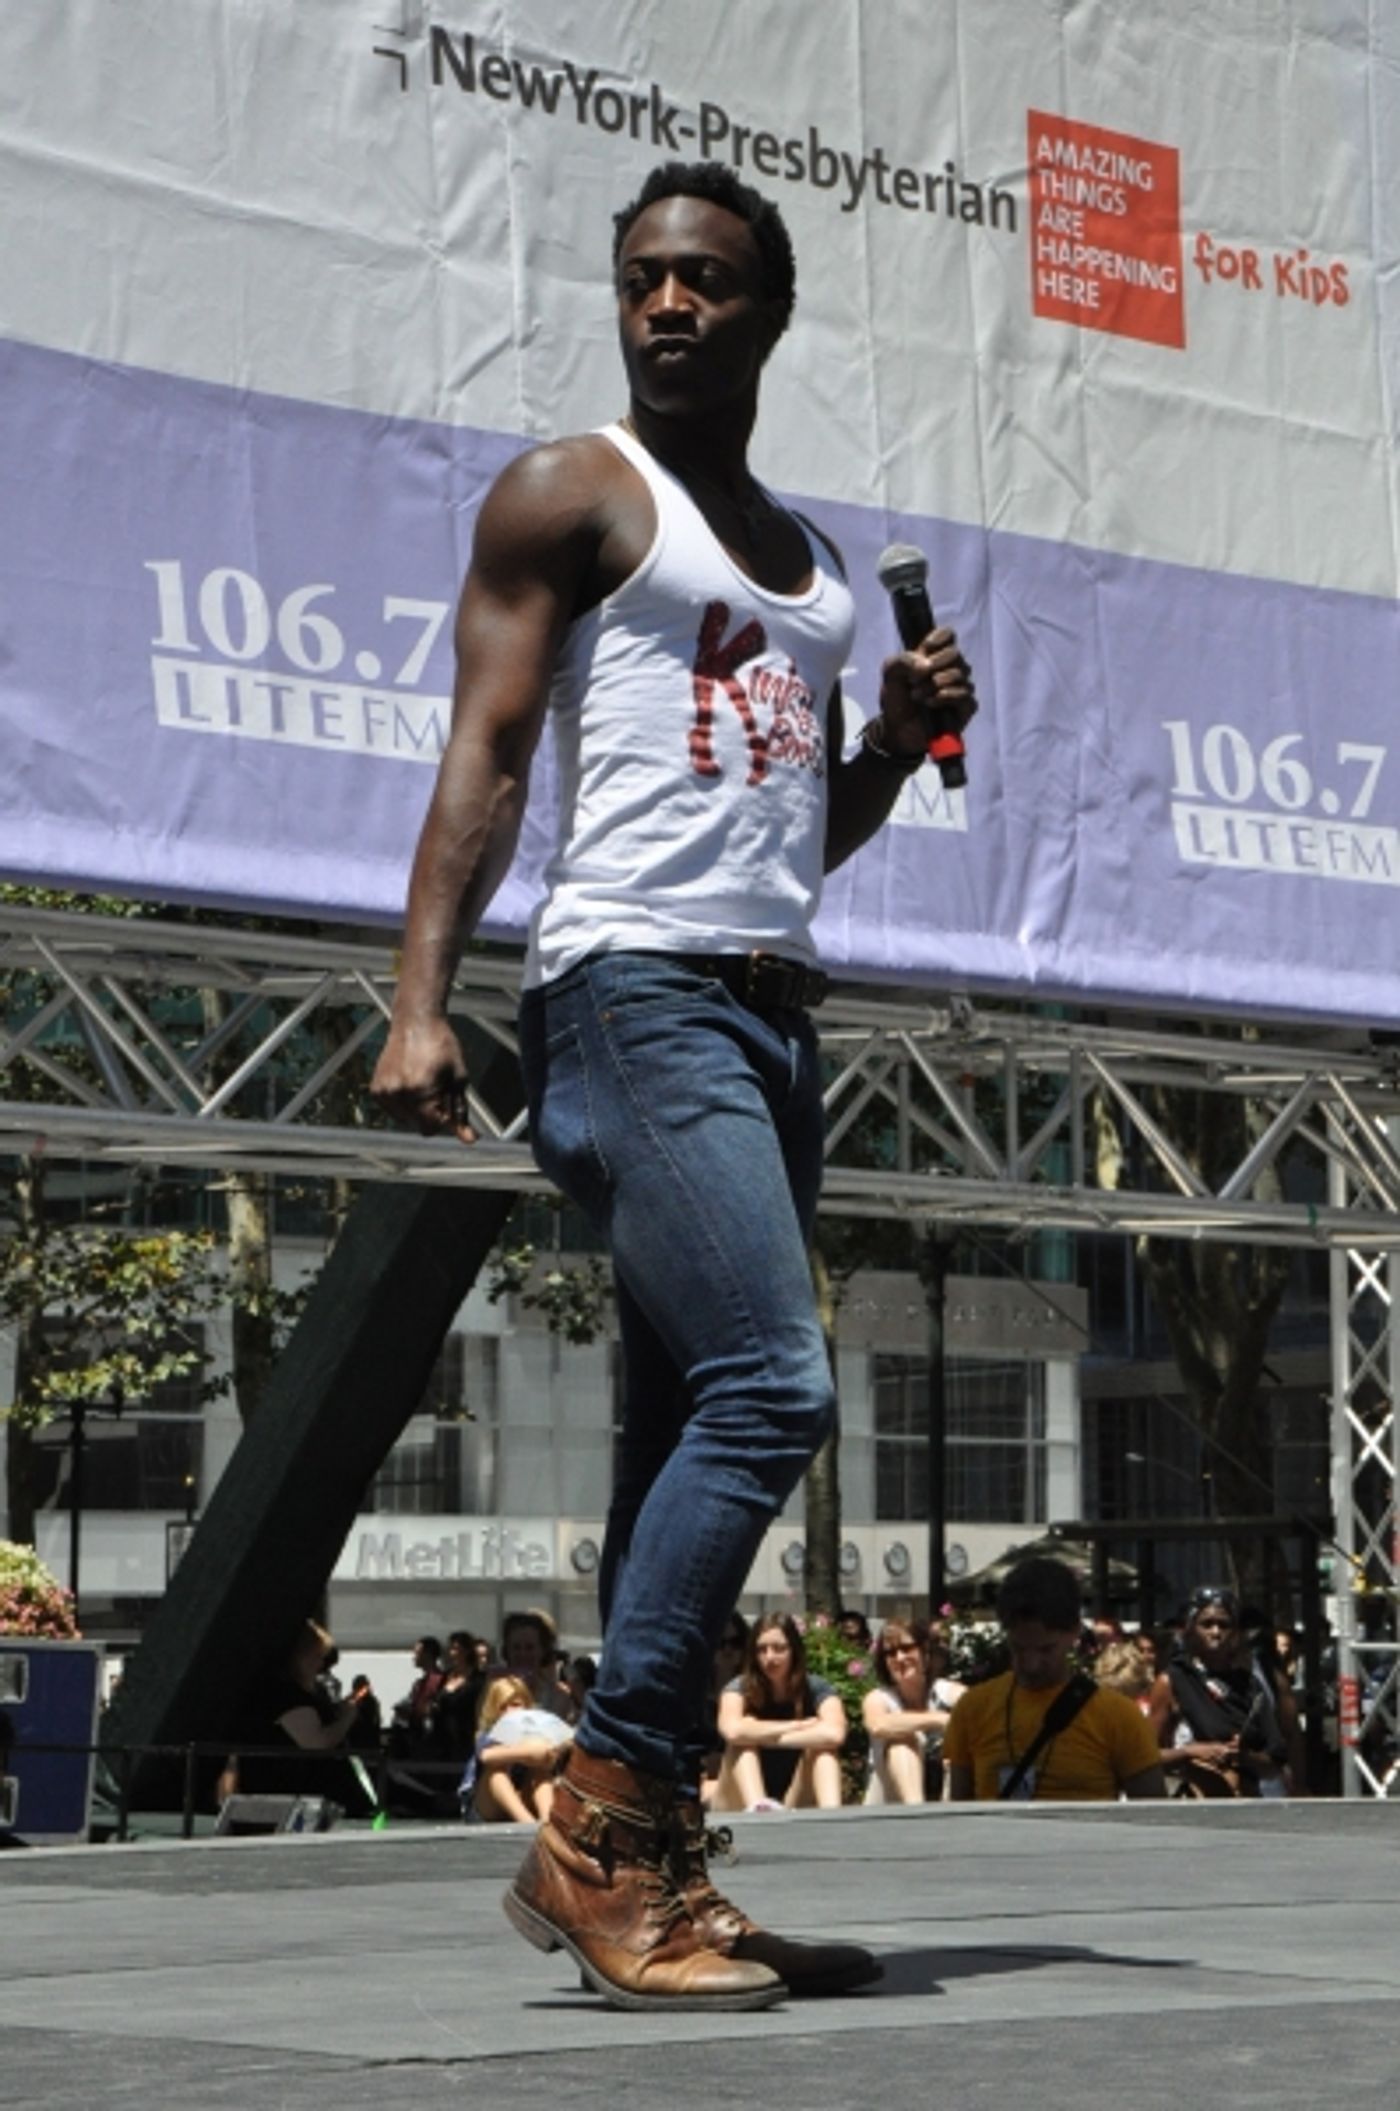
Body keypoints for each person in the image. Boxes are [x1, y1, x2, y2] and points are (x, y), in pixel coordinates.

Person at [371, 156, 974, 2009]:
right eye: (643, 277)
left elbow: (796, 835)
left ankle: (661, 1871)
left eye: (705, 278)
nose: (668, 304)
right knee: (775, 1382)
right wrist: (418, 1000)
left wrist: (888, 747)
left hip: (771, 1007)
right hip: (632, 993)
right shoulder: (574, 493)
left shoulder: (813, 567)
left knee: (674, 1432)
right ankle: (604, 1819)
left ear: (768, 312)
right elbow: (486, 751)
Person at [943, 1559, 1166, 1802]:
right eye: (1018, 1648)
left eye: (1046, 1649)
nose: (1031, 1664)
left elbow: (1154, 1813)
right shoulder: (973, 1709)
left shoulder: (1118, 1717)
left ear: (1074, 1633)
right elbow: (959, 1811)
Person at [1146, 1586, 1289, 1798]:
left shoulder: (1250, 1686)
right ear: (1190, 1628)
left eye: (1224, 1625)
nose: (1215, 1632)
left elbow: (1275, 1761)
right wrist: (1190, 1752)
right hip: (1197, 1801)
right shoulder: (1173, 1681)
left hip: (1247, 1802)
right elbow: (1146, 1757)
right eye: (1206, 1624)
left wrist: (1244, 1756)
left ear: (1236, 1632)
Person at [711, 1612, 847, 1811]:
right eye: (761, 1649)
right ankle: (759, 1809)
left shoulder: (816, 1688)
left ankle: (832, 1818)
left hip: (792, 1798)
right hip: (736, 1801)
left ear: (794, 1651)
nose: (769, 1657)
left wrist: (761, 1735)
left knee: (823, 1749)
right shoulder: (737, 1689)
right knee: (741, 1745)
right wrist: (797, 1726)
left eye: (779, 1649)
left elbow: (835, 1734)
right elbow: (732, 1731)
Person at [862, 1616, 964, 1804]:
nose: (899, 1658)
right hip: (886, 1803)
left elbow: (979, 1714)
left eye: (907, 1648)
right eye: (890, 1653)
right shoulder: (878, 1698)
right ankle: (917, 1813)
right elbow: (878, 1725)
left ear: (925, 1650)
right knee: (902, 1740)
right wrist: (940, 1719)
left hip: (944, 1795)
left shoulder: (946, 1692)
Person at [467, 1675, 575, 1824]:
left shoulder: (538, 1730)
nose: (509, 1711)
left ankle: (547, 1822)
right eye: (502, 1707)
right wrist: (529, 1752)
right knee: (496, 1773)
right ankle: (527, 1824)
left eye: (515, 1705)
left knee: (540, 1772)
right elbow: (486, 1756)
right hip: (487, 1807)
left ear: (527, 1706)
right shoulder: (488, 1734)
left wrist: (556, 1748)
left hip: (523, 1798)